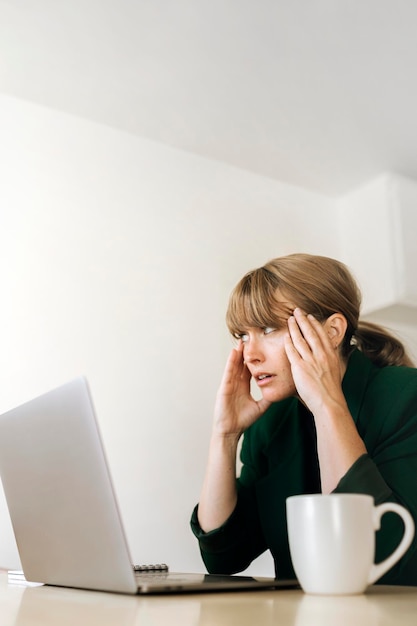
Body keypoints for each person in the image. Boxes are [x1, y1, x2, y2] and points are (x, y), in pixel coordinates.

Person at [190, 253, 417, 585]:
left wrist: (326, 405)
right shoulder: (271, 422)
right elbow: (223, 556)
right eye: (242, 336)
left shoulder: (404, 397)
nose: (251, 354)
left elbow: (392, 564)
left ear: (333, 331)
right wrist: (224, 434)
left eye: (268, 329)